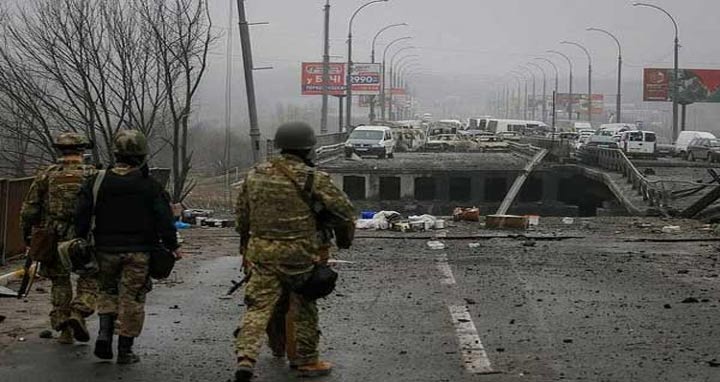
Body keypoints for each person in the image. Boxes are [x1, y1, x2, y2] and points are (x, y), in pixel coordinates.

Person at [234, 122, 356, 382]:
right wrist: (344, 240)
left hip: (262, 253)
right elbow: (345, 212)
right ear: (308, 148)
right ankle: (307, 360)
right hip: (300, 255)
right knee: (304, 306)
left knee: (258, 307)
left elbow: (242, 216)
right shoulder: (313, 178)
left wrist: (246, 244)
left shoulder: (255, 174)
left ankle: (246, 358)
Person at [75, 129, 180, 364]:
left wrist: (80, 239)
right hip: (139, 252)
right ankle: (125, 349)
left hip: (104, 250)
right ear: (142, 155)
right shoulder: (151, 186)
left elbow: (81, 213)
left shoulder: (98, 181)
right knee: (132, 297)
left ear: (116, 153)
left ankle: (104, 334)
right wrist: (172, 245)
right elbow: (165, 220)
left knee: (107, 291)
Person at [20, 132, 98, 345]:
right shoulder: (92, 173)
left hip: (54, 233)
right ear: (82, 150)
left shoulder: (46, 175)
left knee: (59, 280)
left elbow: (30, 208)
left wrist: (27, 234)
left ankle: (64, 329)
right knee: (90, 276)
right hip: (85, 234)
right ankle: (79, 312)